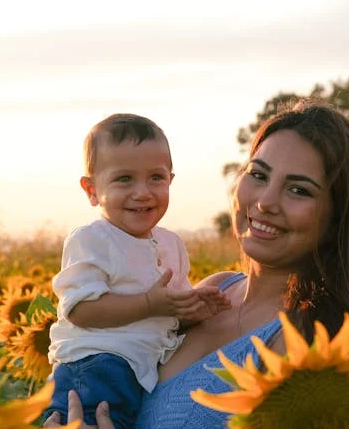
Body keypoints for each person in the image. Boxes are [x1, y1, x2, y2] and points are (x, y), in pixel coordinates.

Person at [46, 101, 349, 428]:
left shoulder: (314, 345)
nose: (265, 202)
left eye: (298, 190)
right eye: (258, 175)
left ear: (339, 217)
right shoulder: (215, 290)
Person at [44, 114, 231, 429]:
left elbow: (169, 314)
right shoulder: (92, 240)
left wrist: (192, 310)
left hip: (141, 371)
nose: (142, 192)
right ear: (91, 190)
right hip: (96, 368)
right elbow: (80, 310)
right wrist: (149, 303)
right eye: (124, 179)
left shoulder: (172, 244)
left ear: (170, 181)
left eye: (156, 177)